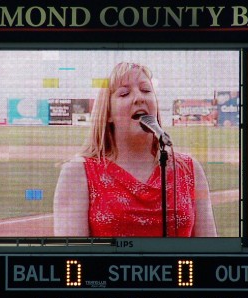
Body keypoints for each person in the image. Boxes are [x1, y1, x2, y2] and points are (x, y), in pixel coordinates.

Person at [53, 62, 217, 237]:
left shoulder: (189, 169)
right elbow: (72, 254)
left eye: (146, 90)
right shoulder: (78, 173)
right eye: (124, 93)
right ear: (107, 113)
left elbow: (211, 251)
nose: (139, 98)